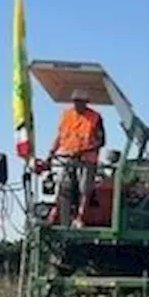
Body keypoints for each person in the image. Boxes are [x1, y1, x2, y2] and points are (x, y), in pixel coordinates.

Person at [47, 87, 106, 226]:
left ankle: (80, 217)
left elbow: (101, 141)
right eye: (75, 101)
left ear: (86, 102)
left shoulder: (95, 117)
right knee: (62, 185)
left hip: (87, 160)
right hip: (67, 157)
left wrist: (82, 151)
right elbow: (60, 137)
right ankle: (55, 214)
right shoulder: (66, 115)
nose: (77, 104)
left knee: (84, 188)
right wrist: (50, 154)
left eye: (80, 102)